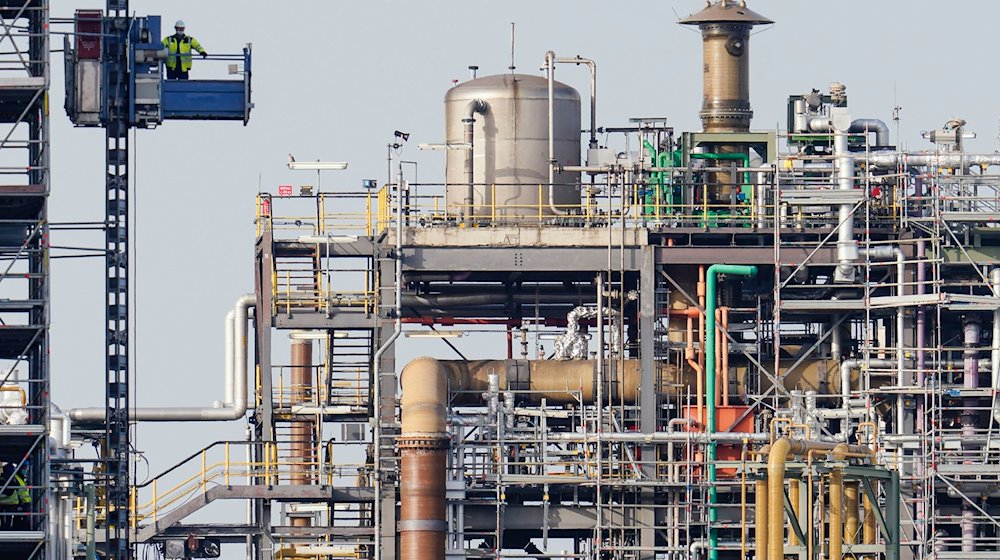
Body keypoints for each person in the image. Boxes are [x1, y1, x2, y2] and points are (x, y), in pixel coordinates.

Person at [0, 463, 29, 530]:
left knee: (4, 521)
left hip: (6, 503)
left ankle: (5, 529)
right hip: (11, 503)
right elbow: (17, 491)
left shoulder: (9, 479)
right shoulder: (14, 479)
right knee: (8, 520)